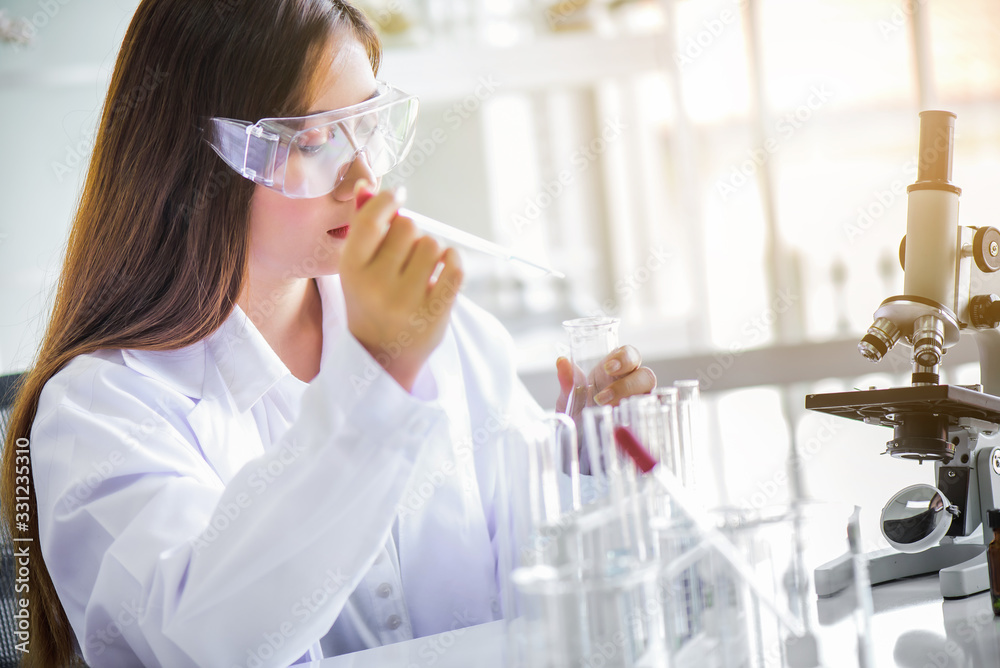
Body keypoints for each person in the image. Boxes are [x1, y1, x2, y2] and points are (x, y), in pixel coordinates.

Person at [0, 1, 656, 666]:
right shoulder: (100, 413)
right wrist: (375, 379)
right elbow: (207, 638)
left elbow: (534, 608)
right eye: (314, 143)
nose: (364, 179)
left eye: (366, 127)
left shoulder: (447, 335)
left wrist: (582, 465)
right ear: (195, 159)